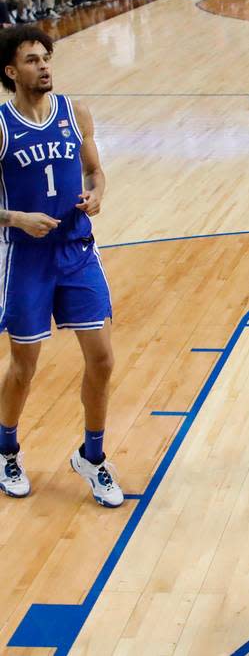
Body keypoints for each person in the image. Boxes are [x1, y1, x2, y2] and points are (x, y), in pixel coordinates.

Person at [0, 26, 121, 507]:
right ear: (12, 72)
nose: (44, 65)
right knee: (24, 367)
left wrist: (97, 193)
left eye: (46, 56)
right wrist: (15, 218)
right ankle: (6, 448)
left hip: (76, 248)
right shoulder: (3, 126)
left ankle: (92, 457)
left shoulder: (76, 113)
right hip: (26, 259)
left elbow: (95, 169)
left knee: (103, 357)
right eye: (32, 59)